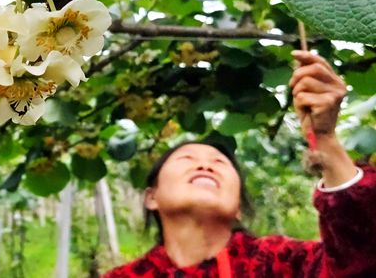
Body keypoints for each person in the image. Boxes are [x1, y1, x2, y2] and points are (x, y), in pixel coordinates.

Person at [103, 51, 376, 277]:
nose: (205, 165)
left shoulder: (281, 264)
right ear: (152, 197)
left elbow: (359, 261)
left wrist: (325, 137)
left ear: (238, 209)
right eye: (187, 158)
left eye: (220, 163)